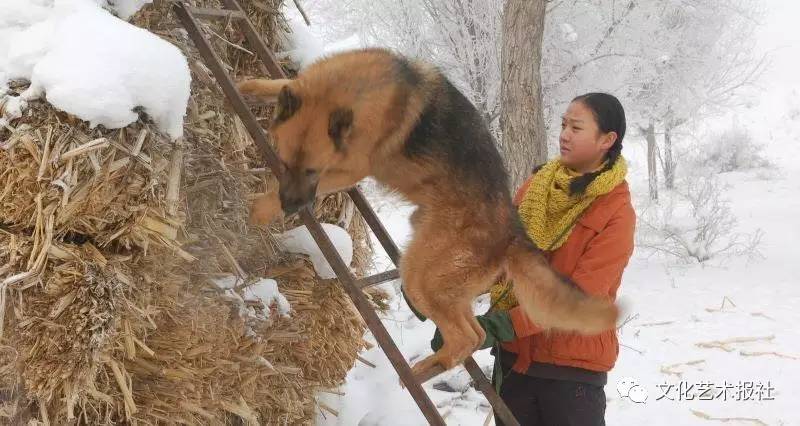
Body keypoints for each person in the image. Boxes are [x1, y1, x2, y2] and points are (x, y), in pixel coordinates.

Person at [431, 92, 636, 425]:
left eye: (577, 127)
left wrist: (498, 326)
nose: (564, 134)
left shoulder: (616, 212)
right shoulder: (536, 188)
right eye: (563, 124)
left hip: (571, 376)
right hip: (517, 365)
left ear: (607, 140)